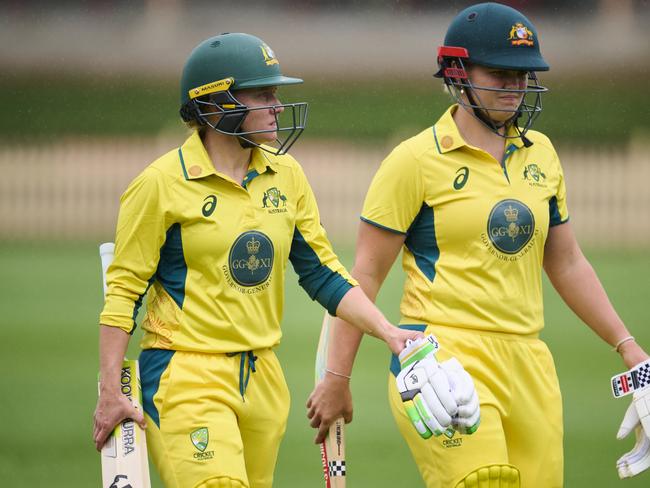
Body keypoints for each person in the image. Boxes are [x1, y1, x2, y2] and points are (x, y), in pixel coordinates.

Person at [306, 3, 650, 487]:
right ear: (457, 73)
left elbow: (568, 261)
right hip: (442, 358)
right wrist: (337, 379)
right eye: (500, 73)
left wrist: (627, 346)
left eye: (523, 74)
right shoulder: (414, 161)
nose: (515, 86)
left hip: (529, 362)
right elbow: (363, 275)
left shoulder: (542, 155)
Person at [91, 32, 426, 488]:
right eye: (263, 94)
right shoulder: (160, 184)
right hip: (184, 372)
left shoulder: (286, 175)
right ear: (216, 104)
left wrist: (388, 333)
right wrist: (110, 388)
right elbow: (124, 291)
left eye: (277, 93)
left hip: (263, 380)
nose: (276, 105)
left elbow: (324, 275)